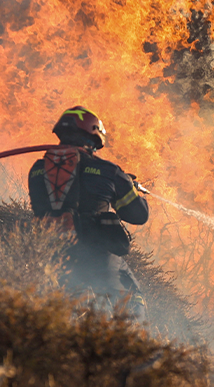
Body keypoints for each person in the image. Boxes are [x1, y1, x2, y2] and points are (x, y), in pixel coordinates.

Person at [27, 106, 149, 318]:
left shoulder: (37, 170)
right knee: (131, 300)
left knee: (61, 312)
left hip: (51, 257)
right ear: (93, 138)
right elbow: (138, 215)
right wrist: (128, 185)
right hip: (98, 257)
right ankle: (129, 344)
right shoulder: (108, 171)